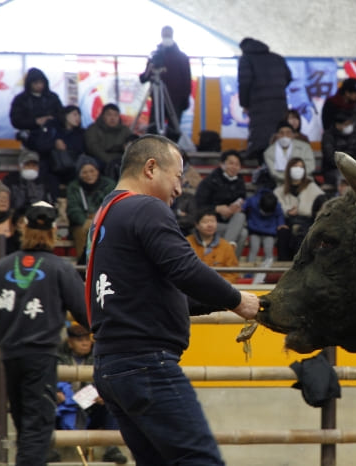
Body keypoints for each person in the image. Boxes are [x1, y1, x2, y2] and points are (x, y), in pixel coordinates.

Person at [87, 134, 258, 466]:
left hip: (111, 365)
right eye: (178, 177)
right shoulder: (146, 206)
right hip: (146, 362)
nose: (180, 189)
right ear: (151, 168)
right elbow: (185, 269)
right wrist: (238, 300)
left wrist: (225, 301)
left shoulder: (104, 216)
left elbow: (163, 292)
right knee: (201, 461)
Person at [0, 201, 88, 466]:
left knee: (23, 426)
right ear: (53, 232)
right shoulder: (60, 268)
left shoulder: (3, 267)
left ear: (23, 228)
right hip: (41, 358)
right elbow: (85, 312)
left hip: (11, 357)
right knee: (36, 430)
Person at [52, 323, 128, 464]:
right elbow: (47, 382)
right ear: (70, 343)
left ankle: (112, 449)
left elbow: (107, 382)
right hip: (64, 410)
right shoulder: (56, 358)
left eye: (87, 339)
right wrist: (55, 393)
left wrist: (102, 394)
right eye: (80, 340)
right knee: (47, 403)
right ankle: (50, 449)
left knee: (111, 402)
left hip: (90, 410)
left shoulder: (99, 358)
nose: (85, 343)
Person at [238, 37, 292, 165]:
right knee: (277, 133)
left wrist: (244, 103)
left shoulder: (246, 59)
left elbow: (244, 83)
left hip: (257, 104)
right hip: (279, 104)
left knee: (261, 135)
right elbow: (289, 77)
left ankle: (262, 164)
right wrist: (277, 90)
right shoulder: (277, 58)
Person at [139, 26, 191, 142]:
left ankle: (171, 153)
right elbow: (145, 76)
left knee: (173, 130)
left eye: (168, 34)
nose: (166, 36)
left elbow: (187, 81)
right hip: (157, 99)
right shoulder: (155, 56)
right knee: (154, 128)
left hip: (176, 101)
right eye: (165, 34)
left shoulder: (181, 57)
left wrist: (184, 101)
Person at [194, 150, 248, 257]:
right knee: (243, 233)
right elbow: (199, 205)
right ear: (222, 164)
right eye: (231, 163)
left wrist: (236, 208)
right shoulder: (210, 181)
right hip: (212, 222)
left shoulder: (240, 182)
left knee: (241, 217)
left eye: (237, 164)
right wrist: (217, 209)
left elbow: (243, 200)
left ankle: (226, 261)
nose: (234, 167)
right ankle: (226, 260)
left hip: (230, 222)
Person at [9, 67, 64, 172]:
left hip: (51, 139)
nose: (39, 85)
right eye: (36, 83)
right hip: (29, 140)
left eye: (41, 82)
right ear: (29, 84)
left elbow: (61, 115)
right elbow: (15, 120)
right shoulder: (21, 99)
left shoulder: (52, 97)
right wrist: (35, 122)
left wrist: (51, 119)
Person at [274, 157, 325, 261]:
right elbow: (278, 206)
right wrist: (288, 211)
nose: (298, 169)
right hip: (287, 221)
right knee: (283, 233)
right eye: (296, 166)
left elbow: (322, 204)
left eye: (301, 167)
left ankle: (300, 267)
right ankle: (283, 266)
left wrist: (301, 210)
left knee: (302, 235)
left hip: (307, 223)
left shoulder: (311, 187)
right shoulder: (280, 190)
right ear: (289, 169)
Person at [66, 155, 116, 261]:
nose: (89, 175)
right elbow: (73, 208)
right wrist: (85, 221)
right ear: (79, 174)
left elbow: (111, 205)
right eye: (84, 172)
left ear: (97, 171)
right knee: (83, 230)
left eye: (92, 171)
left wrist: (97, 220)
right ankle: (85, 263)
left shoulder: (109, 185)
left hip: (104, 221)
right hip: (82, 222)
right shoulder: (74, 187)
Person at [186, 208, 239, 284]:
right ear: (197, 225)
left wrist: (219, 284)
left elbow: (233, 274)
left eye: (213, 221)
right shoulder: (186, 243)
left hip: (220, 289)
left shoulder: (226, 246)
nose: (210, 225)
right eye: (205, 222)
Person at [321, 112, 356, 186]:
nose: (348, 126)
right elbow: (330, 157)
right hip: (335, 169)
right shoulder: (328, 136)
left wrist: (352, 167)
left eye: (349, 124)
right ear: (337, 125)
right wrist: (345, 167)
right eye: (345, 124)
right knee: (343, 178)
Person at [264, 120, 316, 186]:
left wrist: (297, 177)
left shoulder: (305, 147)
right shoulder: (269, 152)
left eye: (288, 133)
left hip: (305, 181)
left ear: (293, 135)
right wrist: (291, 179)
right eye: (281, 133)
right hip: (281, 184)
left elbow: (311, 166)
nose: (285, 136)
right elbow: (274, 173)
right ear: (277, 135)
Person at [84, 103, 133, 170]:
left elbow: (133, 143)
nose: (112, 118)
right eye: (109, 115)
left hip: (121, 159)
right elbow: (94, 148)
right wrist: (110, 160)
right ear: (103, 116)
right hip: (99, 160)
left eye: (116, 115)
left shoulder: (125, 130)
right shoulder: (93, 129)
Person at [243, 188, 285, 263]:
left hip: (270, 232)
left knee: (269, 251)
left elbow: (280, 215)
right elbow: (242, 208)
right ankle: (248, 273)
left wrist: (281, 224)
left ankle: (264, 273)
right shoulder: (252, 201)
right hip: (254, 231)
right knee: (254, 249)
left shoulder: (277, 205)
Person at [52, 104, 86, 184]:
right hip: (59, 166)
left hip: (76, 165)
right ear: (65, 116)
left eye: (79, 115)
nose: (78, 117)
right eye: (74, 114)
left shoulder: (82, 133)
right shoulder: (57, 132)